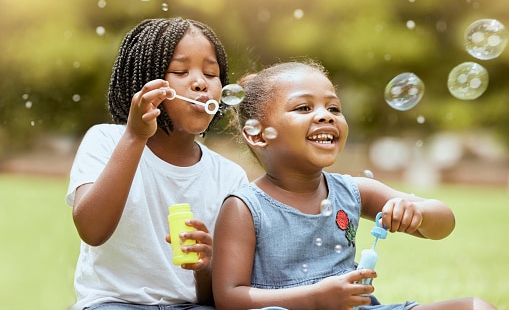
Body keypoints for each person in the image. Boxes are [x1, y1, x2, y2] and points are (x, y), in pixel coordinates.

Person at [211, 60, 497, 310]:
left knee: (475, 306)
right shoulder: (245, 207)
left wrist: (418, 213)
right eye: (303, 107)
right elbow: (229, 298)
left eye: (334, 107)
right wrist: (315, 299)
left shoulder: (354, 190)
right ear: (259, 135)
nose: (326, 115)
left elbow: (444, 222)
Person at [65, 17, 248, 310]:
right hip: (114, 303)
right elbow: (92, 230)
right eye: (180, 70)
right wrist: (135, 136)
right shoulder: (106, 141)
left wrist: (204, 267)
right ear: (146, 84)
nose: (200, 82)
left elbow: (217, 296)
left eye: (211, 73)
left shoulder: (229, 176)